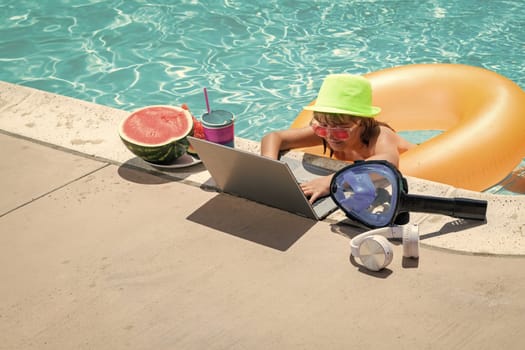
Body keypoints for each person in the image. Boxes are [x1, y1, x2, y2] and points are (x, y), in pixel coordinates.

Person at [261, 73, 416, 204]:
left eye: (340, 130)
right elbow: (274, 137)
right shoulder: (328, 130)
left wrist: (331, 181)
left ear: (361, 123)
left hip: (420, 163)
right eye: (321, 128)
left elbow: (387, 164)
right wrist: (269, 168)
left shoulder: (381, 135)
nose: (330, 136)